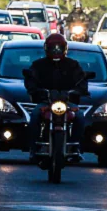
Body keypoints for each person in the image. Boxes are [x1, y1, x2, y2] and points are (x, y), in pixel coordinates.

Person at [24, 34, 88, 162]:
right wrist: (37, 91)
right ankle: (33, 148)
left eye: (59, 48)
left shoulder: (73, 65)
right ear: (47, 48)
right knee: (35, 116)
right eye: (53, 48)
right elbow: (30, 80)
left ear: (65, 48)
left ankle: (76, 147)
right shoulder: (38, 65)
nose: (56, 51)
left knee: (80, 117)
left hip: (68, 102)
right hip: (46, 102)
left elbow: (82, 81)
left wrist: (78, 91)